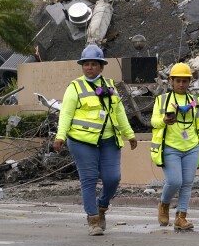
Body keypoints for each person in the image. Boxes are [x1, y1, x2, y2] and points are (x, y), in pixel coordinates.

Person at [54, 44, 138, 236]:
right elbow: (66, 114)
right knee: (89, 179)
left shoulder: (109, 86)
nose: (89, 67)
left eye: (93, 64)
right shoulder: (75, 87)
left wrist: (130, 134)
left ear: (101, 66)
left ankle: (102, 205)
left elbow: (119, 112)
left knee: (113, 178)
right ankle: (93, 220)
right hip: (82, 141)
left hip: (109, 140)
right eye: (86, 64)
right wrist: (60, 136)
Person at [151, 62, 199, 231]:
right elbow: (153, 122)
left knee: (187, 183)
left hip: (191, 147)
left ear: (189, 82)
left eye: (185, 81)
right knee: (175, 181)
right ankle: (164, 204)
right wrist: (163, 121)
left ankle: (181, 217)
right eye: (178, 81)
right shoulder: (162, 101)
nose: (182, 85)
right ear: (171, 82)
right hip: (171, 148)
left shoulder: (195, 101)